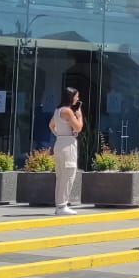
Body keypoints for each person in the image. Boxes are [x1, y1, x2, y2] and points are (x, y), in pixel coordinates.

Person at [50, 86, 84, 216]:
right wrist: (79, 115)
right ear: (71, 97)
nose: (78, 99)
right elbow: (78, 127)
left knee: (60, 175)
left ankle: (59, 205)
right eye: (76, 96)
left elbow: (51, 125)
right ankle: (62, 205)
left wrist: (59, 134)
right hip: (68, 144)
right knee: (69, 174)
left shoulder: (57, 110)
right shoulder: (68, 111)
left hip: (59, 142)